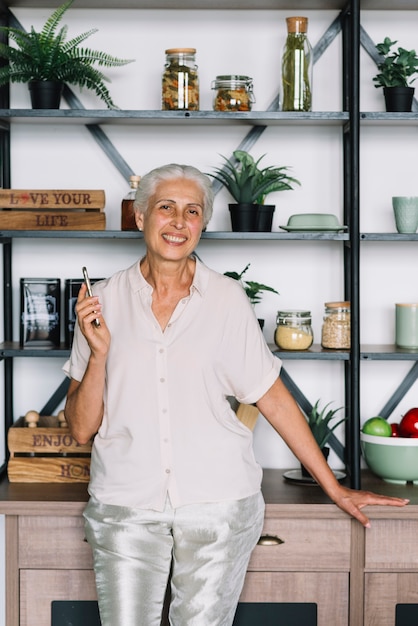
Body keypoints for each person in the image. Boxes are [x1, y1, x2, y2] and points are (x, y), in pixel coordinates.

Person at [63, 163, 408, 626]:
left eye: (193, 211)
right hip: (124, 506)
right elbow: (82, 428)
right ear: (140, 217)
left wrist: (334, 487)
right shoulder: (99, 303)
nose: (179, 222)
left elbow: (273, 398)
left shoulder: (227, 299)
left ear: (203, 225)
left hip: (219, 505)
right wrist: (101, 354)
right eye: (166, 207)